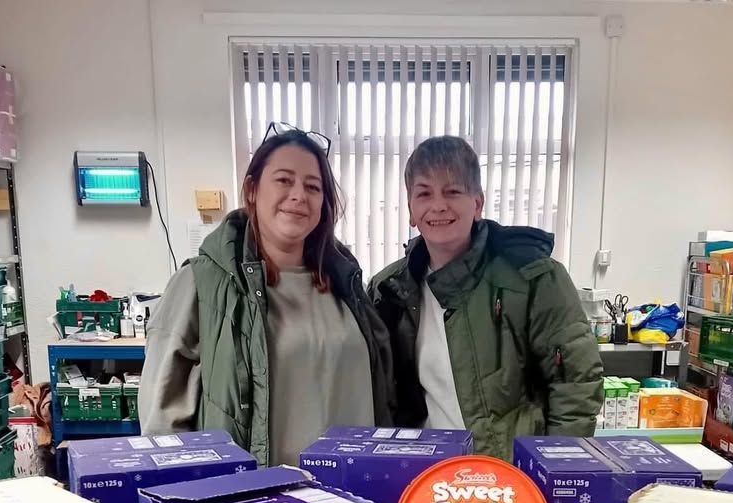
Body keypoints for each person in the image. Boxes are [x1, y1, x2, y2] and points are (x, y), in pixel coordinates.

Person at [140, 125, 394, 465]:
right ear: (252, 189)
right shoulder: (200, 283)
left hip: (353, 500)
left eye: (313, 186)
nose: (299, 195)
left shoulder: (347, 285)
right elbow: (162, 425)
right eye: (284, 180)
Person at [370, 135, 603, 460]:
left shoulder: (534, 277)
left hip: (511, 477)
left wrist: (554, 471)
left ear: (477, 203)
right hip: (425, 475)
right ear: (411, 209)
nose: (438, 205)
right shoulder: (389, 290)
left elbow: (576, 386)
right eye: (424, 193)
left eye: (452, 191)